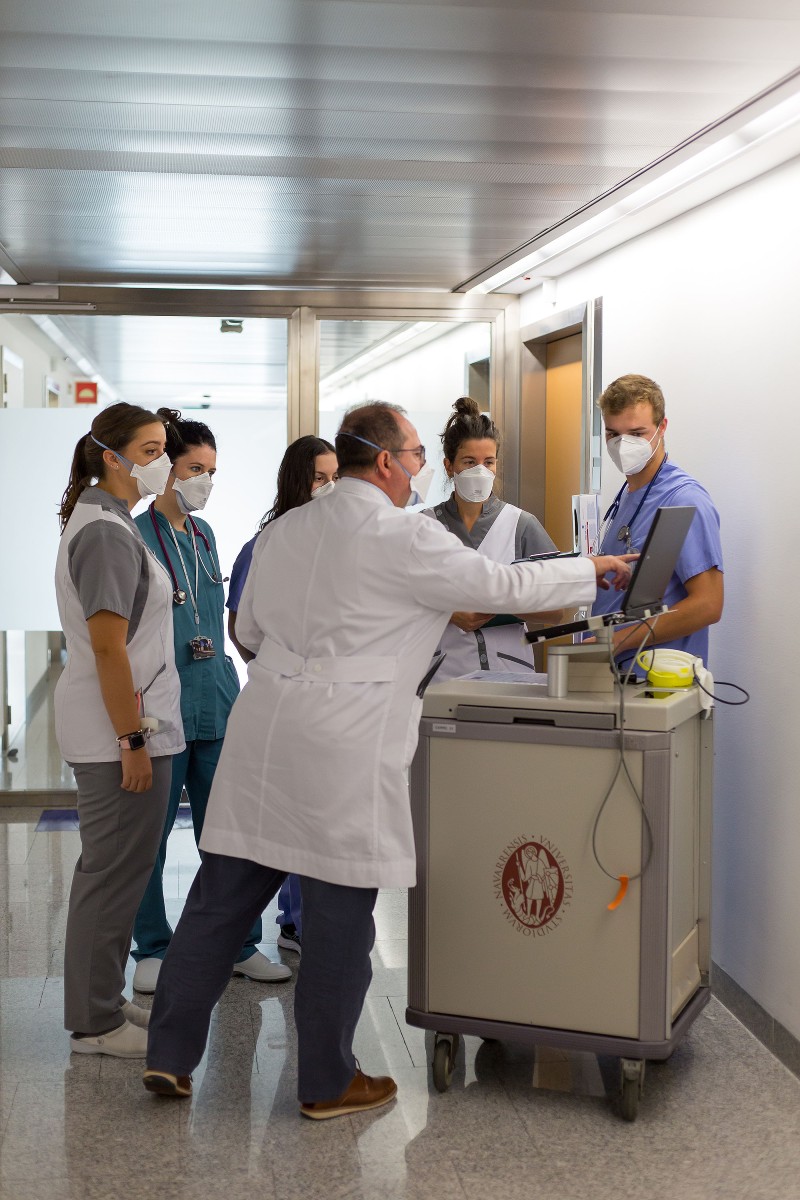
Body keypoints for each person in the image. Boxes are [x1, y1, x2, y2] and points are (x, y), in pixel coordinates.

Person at [142, 401, 633, 1112]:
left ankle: (169, 1056)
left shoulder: (283, 529)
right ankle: (326, 1081)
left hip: (267, 726)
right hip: (346, 736)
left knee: (219, 899)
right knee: (341, 910)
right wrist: (593, 570)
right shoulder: (404, 535)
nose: (422, 471)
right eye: (415, 457)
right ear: (385, 462)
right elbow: (504, 587)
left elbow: (245, 625)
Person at [130, 409, 291, 994]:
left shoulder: (206, 536)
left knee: (227, 831)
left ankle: (240, 943)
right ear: (165, 468)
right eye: (194, 468)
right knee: (149, 834)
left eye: (212, 471)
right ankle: (151, 945)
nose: (205, 481)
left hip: (215, 697)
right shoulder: (137, 536)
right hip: (162, 703)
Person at [55, 402, 185, 1058]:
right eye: (150, 447)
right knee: (109, 873)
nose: (161, 460)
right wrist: (131, 740)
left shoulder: (115, 522)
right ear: (111, 455)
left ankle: (102, 1002)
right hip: (121, 732)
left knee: (120, 871)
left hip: (131, 722)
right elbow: (110, 649)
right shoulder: (106, 533)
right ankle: (92, 1025)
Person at [226, 435, 339, 954]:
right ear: (297, 481)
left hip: (330, 705)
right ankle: (294, 921)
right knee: (289, 815)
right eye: (319, 478)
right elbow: (241, 628)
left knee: (322, 814)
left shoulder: (343, 540)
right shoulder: (266, 544)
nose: (330, 488)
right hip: (283, 702)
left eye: (337, 477)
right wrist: (276, 672)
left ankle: (311, 917)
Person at [422, 396, 559, 679]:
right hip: (442, 675)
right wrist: (449, 612)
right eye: (469, 462)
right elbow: (396, 598)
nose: (480, 471)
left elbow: (556, 610)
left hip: (510, 674)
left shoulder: (522, 525)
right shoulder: (423, 526)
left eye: (488, 462)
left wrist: (502, 607)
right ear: (449, 466)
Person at [592, 374, 723, 666]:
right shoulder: (628, 493)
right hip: (615, 678)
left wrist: (617, 641)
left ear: (662, 427)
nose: (623, 445)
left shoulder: (683, 499)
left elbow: (709, 604)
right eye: (613, 434)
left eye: (637, 434)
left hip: (657, 684)